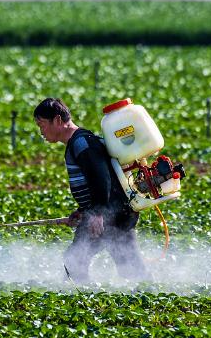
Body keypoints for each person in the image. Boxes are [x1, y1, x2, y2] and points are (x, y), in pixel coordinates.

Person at [34, 98, 149, 283]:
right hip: (117, 212)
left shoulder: (81, 144)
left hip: (109, 214)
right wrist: (83, 211)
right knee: (130, 268)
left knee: (74, 260)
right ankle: (148, 292)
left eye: (42, 125)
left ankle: (84, 300)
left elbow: (101, 177)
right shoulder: (80, 142)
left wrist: (97, 213)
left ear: (57, 120)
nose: (41, 132)